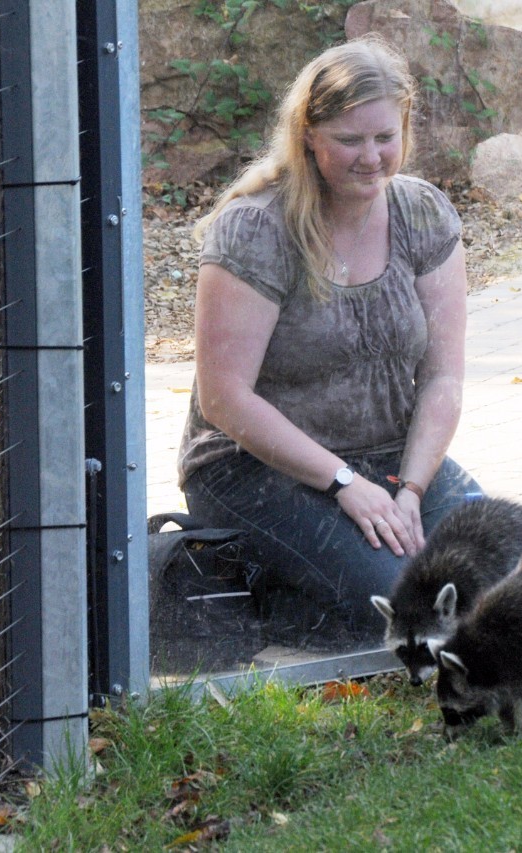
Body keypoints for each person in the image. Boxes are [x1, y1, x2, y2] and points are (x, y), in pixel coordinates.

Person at [177, 35, 482, 647]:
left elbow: (445, 378)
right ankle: (264, 593)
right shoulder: (254, 229)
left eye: (384, 137)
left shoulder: (424, 214)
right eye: (349, 140)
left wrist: (411, 489)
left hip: (392, 461)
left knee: (509, 574)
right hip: (252, 469)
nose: (371, 157)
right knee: (398, 604)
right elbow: (225, 400)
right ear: (308, 137)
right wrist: (346, 485)